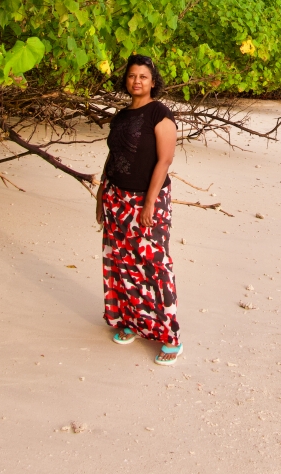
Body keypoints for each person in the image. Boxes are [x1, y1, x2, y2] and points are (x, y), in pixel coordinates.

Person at [95, 55, 181, 365]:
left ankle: (170, 337)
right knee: (121, 264)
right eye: (132, 76)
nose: (137, 81)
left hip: (148, 199)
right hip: (116, 198)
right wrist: (101, 195)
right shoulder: (120, 117)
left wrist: (149, 203)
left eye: (143, 76)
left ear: (153, 82)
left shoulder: (160, 114)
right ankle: (130, 322)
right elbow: (113, 157)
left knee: (154, 265)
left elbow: (165, 160)